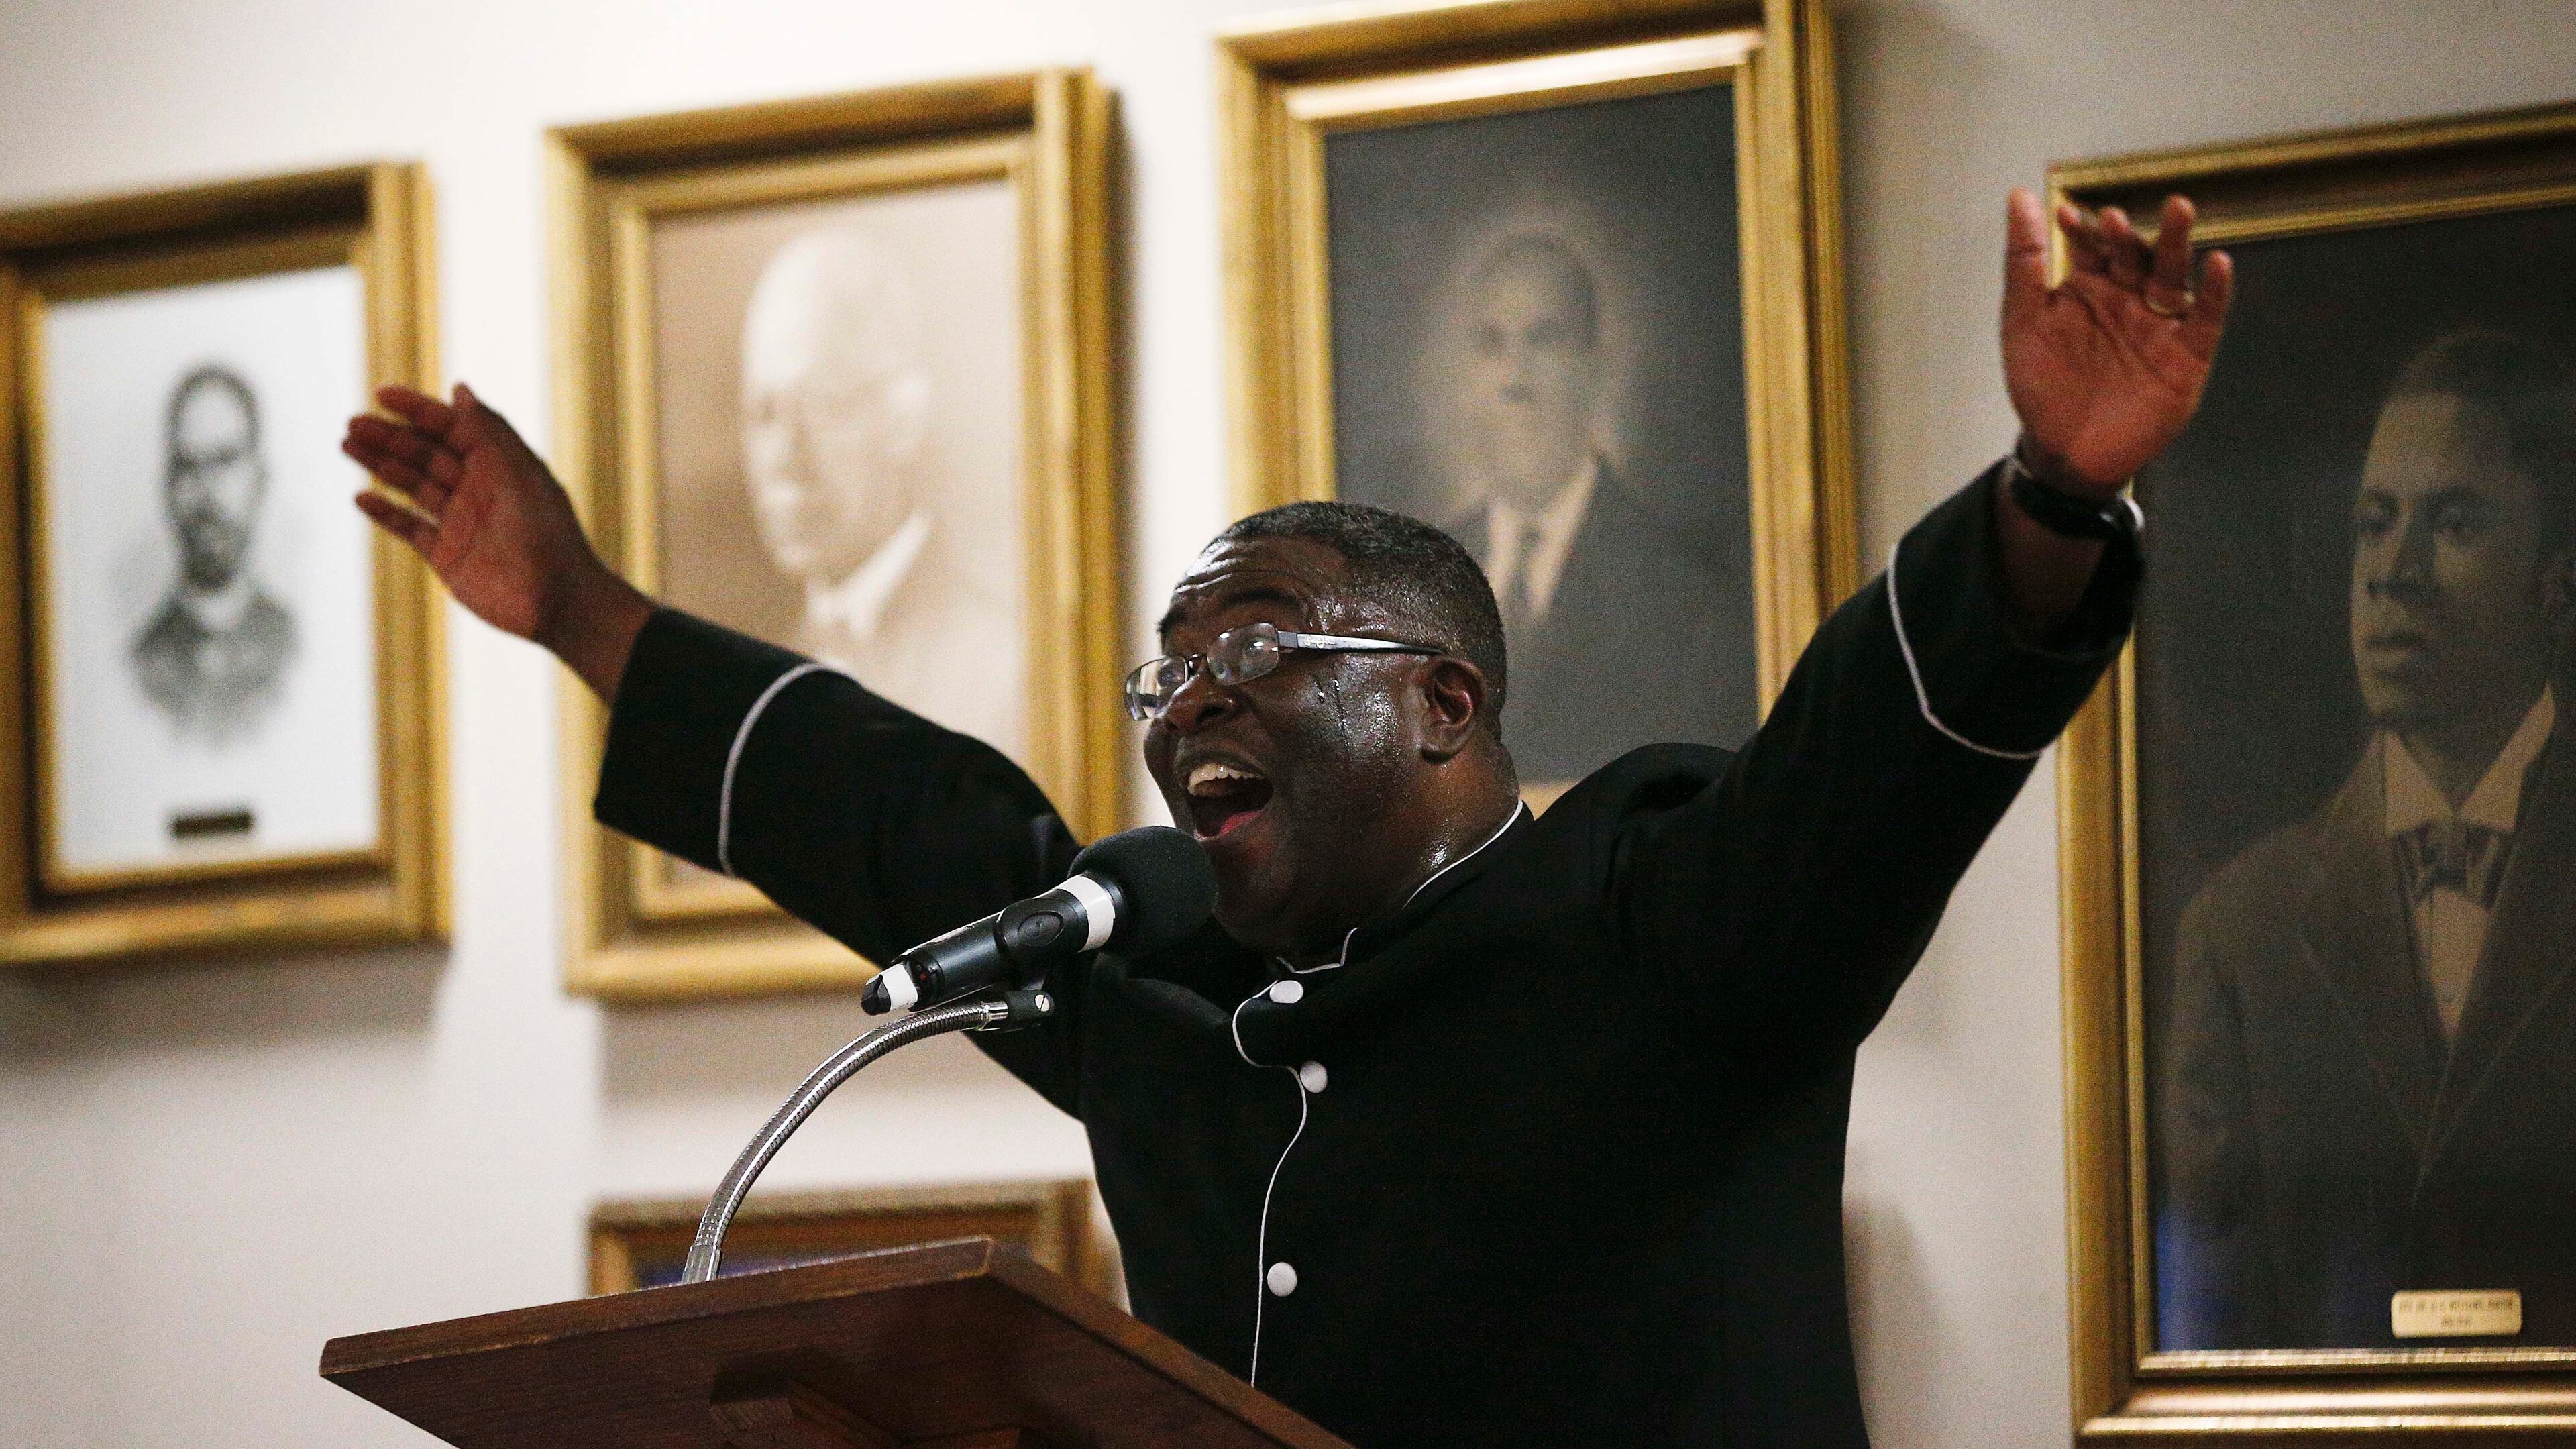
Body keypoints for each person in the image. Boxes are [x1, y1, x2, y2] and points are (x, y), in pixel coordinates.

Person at [345, 191, 2230, 1446]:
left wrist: (2052, 493)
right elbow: (908, 823)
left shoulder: (1664, 923)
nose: (1192, 707)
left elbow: (1862, 765)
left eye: (1254, 645)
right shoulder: (1157, 972)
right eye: (1165, 678)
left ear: (1446, 700)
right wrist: (583, 609)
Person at [2161, 328, 2576, 1351]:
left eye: (2458, 525)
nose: (2394, 573)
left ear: (2558, 585)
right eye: (2374, 525)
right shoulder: (2242, 930)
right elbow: (2208, 1336)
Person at [1446, 233, 1751, 780]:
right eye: (1492, 344)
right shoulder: (1427, 574)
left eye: (1543, 340)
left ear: (1594, 367)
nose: (1515, 378)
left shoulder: (1686, 586)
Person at [736, 226, 1025, 755]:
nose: (784, 457)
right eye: (763, 412)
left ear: (904, 420)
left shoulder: (1005, 666)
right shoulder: (754, 668)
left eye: (821, 405)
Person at [133, 364, 297, 745]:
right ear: (168, 490)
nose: (207, 492)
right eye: (189, 466)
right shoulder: (141, 664)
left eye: (225, 461)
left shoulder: (294, 648)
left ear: (259, 480)